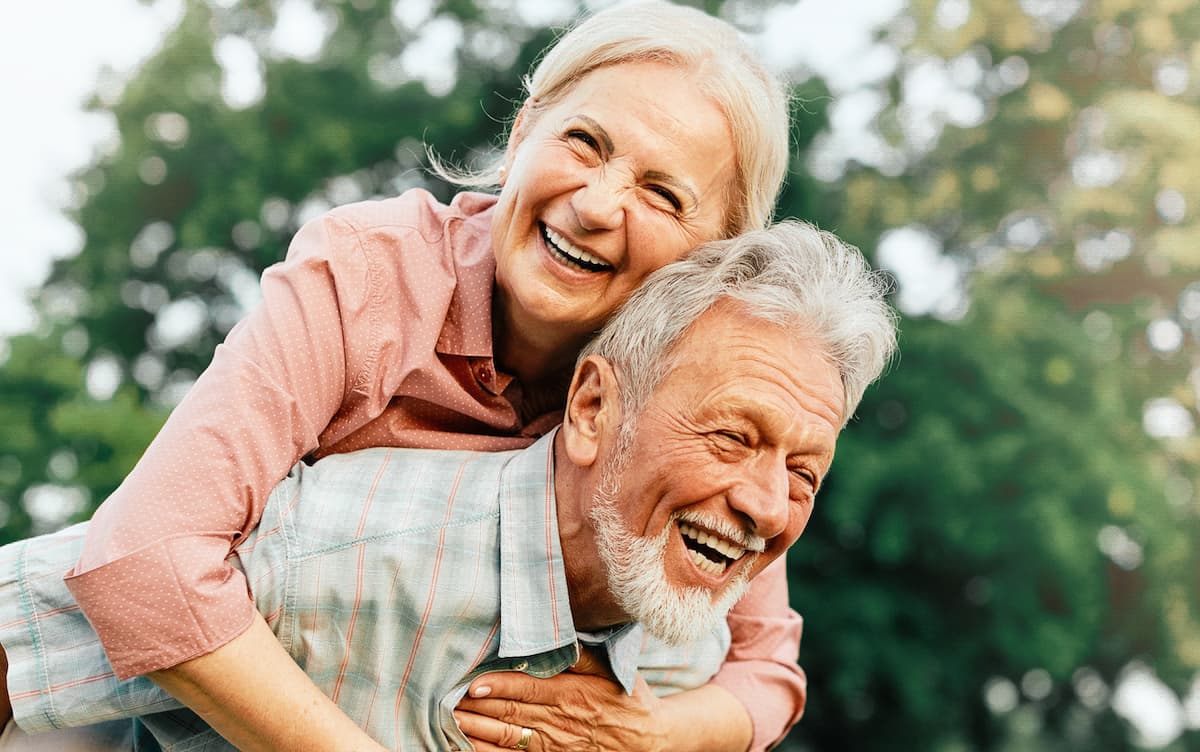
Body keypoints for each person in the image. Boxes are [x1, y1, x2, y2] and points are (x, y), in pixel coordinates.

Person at [0, 0, 806, 752]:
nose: (596, 204)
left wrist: (658, 733)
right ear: (524, 132)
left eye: (662, 193)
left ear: (717, 256)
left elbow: (766, 664)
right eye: (583, 143)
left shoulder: (686, 385)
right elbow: (142, 556)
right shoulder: (366, 278)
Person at [0, 222, 897, 751]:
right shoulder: (326, 551)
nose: (768, 505)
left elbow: (773, 672)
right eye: (733, 437)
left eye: (804, 472)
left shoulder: (691, 639)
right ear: (590, 410)